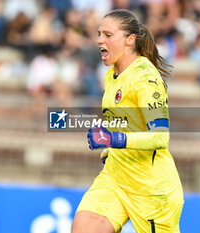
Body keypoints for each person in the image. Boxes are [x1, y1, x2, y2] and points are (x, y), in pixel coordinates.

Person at [71, 9, 183, 233]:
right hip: (114, 178)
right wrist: (108, 147)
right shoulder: (111, 75)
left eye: (108, 35)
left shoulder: (146, 78)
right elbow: (124, 122)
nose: (99, 40)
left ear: (130, 40)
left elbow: (160, 136)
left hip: (150, 190)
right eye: (99, 34)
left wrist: (114, 139)